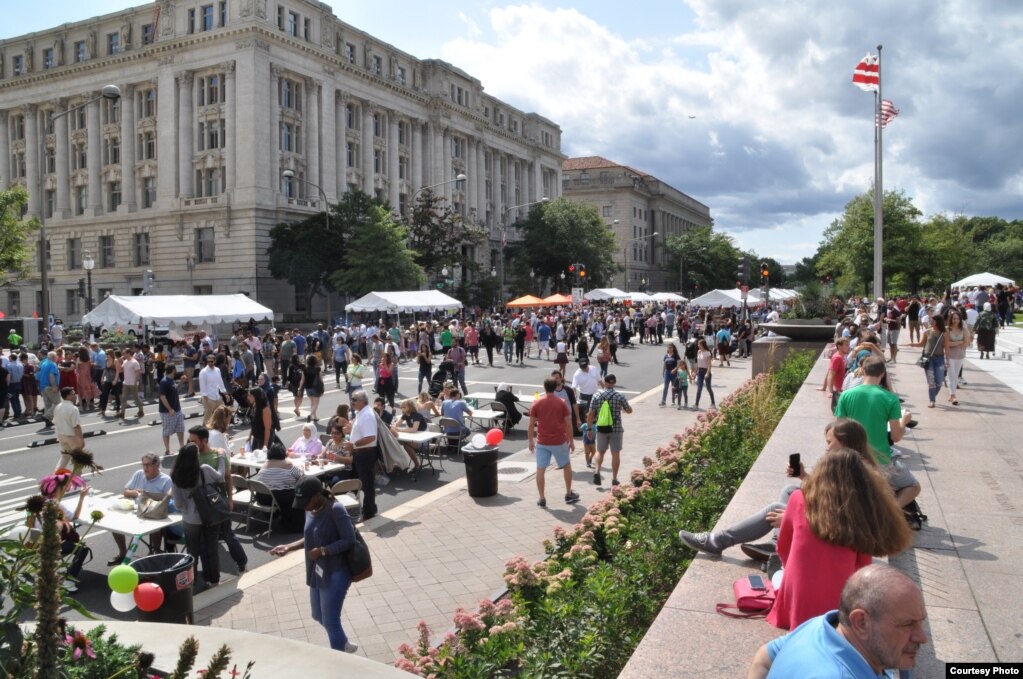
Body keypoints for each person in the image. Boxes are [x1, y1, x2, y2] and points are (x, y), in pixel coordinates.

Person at [680, 418, 871, 562]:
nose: (826, 447)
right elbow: (829, 495)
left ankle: (717, 541)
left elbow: (839, 516)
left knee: (775, 509)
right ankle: (776, 543)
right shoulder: (855, 463)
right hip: (836, 523)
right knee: (790, 490)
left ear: (845, 442)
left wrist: (793, 518)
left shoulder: (853, 472)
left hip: (841, 535)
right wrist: (804, 476)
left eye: (830, 442)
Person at [767, 447, 912, 630]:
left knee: (778, 572)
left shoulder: (798, 498)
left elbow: (783, 546)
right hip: (838, 607)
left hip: (798, 603)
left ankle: (773, 571)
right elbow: (862, 567)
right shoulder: (861, 510)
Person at [747, 564, 928, 679]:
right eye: (907, 624)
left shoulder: (820, 626)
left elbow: (764, 657)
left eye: (920, 622)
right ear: (861, 622)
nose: (922, 637)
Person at [270, 478, 357, 652]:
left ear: (318, 496)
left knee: (331, 620)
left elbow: (349, 539)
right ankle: (343, 643)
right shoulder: (309, 510)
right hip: (317, 571)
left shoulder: (336, 509)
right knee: (318, 615)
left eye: (306, 501)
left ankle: (340, 661)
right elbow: (310, 537)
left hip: (336, 572)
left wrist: (324, 550)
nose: (304, 506)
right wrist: (289, 546)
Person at [834, 357, 921, 513]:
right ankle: (889, 510)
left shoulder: (846, 395)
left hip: (851, 459)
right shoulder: (890, 398)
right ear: (882, 374)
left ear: (863, 371)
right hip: (880, 460)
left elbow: (838, 431)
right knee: (914, 486)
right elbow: (896, 437)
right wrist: (904, 421)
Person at [189, 426, 248, 574]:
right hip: (201, 505)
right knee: (208, 540)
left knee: (228, 534)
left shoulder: (218, 455)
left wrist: (229, 499)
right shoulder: (192, 456)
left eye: (194, 441)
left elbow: (227, 477)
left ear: (204, 440)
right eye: (190, 441)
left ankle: (241, 562)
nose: (191, 444)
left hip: (217, 502)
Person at [170, 443, 225, 590]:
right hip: (210, 516)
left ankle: (191, 582)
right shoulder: (204, 470)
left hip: (190, 520)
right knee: (211, 548)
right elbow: (220, 476)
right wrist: (221, 457)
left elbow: (178, 504)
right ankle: (213, 579)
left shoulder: (175, 476)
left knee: (192, 552)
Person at [107, 453, 173, 565]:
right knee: (114, 525)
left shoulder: (166, 480)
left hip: (153, 513)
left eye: (148, 465)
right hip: (135, 511)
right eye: (143, 465)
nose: (145, 468)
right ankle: (123, 553)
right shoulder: (138, 474)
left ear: (157, 466)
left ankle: (154, 552)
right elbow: (126, 492)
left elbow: (168, 501)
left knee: (156, 527)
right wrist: (133, 492)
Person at [528, 377, 580, 508]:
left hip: (542, 441)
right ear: (555, 386)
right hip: (559, 440)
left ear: (544, 388)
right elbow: (568, 424)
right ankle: (568, 493)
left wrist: (530, 441)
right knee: (566, 466)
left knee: (540, 469)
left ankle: (542, 498)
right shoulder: (561, 402)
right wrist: (572, 441)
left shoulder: (536, 403)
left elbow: (530, 425)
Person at [586, 374, 633, 487]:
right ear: (614, 383)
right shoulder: (619, 396)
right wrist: (622, 408)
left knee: (600, 451)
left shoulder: (597, 395)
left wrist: (589, 428)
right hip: (616, 428)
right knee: (615, 453)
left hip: (601, 427)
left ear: (604, 382)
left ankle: (597, 471)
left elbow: (591, 413)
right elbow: (629, 410)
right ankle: (614, 478)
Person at [341, 390, 379, 521]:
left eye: (355, 399)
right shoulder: (361, 413)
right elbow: (362, 432)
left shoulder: (367, 415)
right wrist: (351, 430)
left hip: (365, 454)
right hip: (361, 453)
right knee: (364, 483)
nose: (352, 402)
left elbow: (370, 437)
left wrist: (354, 445)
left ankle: (368, 513)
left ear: (363, 401)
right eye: (352, 399)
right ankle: (371, 508)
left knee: (366, 484)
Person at [253, 441, 306, 532]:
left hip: (263, 497)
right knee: (299, 492)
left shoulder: (264, 466)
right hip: (281, 497)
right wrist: (302, 467)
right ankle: (296, 524)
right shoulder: (288, 465)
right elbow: (302, 476)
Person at [907, 315, 948, 408]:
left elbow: (947, 347)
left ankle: (933, 395)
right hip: (928, 359)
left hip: (940, 359)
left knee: (939, 381)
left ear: (937, 322)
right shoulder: (927, 332)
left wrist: (948, 360)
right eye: (930, 320)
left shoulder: (944, 333)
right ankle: (932, 400)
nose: (931, 322)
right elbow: (921, 344)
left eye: (933, 320)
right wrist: (912, 344)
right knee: (931, 382)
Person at [53, 386, 83, 471]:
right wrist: (81, 440)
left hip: (61, 435)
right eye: (73, 394)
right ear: (67, 396)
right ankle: (77, 478)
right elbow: (76, 426)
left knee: (65, 456)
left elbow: (55, 421)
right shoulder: (73, 408)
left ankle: (56, 475)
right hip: (71, 436)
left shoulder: (58, 407)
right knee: (77, 458)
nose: (75, 396)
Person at [944, 309, 970, 406]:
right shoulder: (947, 329)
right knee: (951, 375)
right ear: (951, 319)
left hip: (960, 355)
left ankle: (951, 394)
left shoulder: (964, 329)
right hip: (949, 355)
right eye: (954, 318)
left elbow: (967, 342)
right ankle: (953, 395)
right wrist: (959, 342)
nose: (956, 320)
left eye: (958, 319)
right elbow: (946, 344)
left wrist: (954, 344)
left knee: (955, 375)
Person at [158, 364, 186, 454]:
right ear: (173, 370)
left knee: (180, 429)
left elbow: (175, 389)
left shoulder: (171, 380)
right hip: (167, 411)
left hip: (177, 409)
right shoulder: (164, 382)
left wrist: (181, 382)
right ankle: (167, 449)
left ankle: (182, 446)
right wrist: (170, 409)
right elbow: (162, 396)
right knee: (167, 430)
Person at [392, 398, 427, 469]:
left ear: (410, 407)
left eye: (404, 407)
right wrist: (393, 426)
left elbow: (414, 429)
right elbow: (396, 425)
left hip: (423, 439)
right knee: (394, 442)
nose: (402, 409)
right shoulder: (405, 415)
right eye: (401, 407)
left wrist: (401, 430)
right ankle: (396, 464)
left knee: (406, 445)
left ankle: (417, 465)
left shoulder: (417, 415)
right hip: (413, 437)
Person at [821, 337, 851, 412]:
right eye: (846, 345)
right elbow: (831, 375)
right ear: (839, 346)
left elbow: (829, 371)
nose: (849, 347)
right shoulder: (837, 358)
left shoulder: (841, 356)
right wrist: (830, 391)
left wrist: (824, 387)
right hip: (839, 390)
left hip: (841, 388)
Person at [199, 353, 228, 423]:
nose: (210, 363)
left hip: (217, 397)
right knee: (207, 419)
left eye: (211, 361)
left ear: (215, 361)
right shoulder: (203, 372)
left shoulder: (217, 370)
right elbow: (203, 387)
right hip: (209, 398)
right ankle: (204, 433)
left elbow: (220, 382)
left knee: (222, 415)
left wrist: (225, 393)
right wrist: (205, 401)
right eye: (208, 362)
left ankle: (220, 431)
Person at [118, 348, 144, 420]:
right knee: (123, 398)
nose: (123, 355)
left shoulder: (134, 362)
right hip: (126, 382)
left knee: (136, 398)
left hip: (133, 383)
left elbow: (138, 373)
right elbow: (121, 369)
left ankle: (141, 411)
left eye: (124, 353)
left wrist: (135, 382)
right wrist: (120, 361)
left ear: (128, 353)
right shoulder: (125, 361)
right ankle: (122, 413)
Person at [248, 386, 277, 451]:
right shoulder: (254, 406)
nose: (248, 398)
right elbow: (253, 423)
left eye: (250, 396)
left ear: (256, 396)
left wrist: (265, 445)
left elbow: (267, 429)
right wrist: (249, 436)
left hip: (264, 437)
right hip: (256, 436)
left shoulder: (265, 409)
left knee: (262, 458)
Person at [38, 350, 61, 428]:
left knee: (48, 405)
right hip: (50, 386)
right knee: (58, 403)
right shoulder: (53, 364)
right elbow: (52, 375)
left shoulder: (43, 363)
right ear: (54, 357)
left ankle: (48, 422)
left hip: (43, 386)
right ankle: (47, 416)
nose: (57, 358)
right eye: (56, 356)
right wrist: (54, 386)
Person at [297, 355, 323, 423]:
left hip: (308, 388)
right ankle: (310, 415)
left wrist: (300, 389)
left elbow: (302, 380)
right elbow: (320, 379)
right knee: (316, 404)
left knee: (312, 402)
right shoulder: (318, 369)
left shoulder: (304, 369)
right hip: (316, 387)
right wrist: (322, 387)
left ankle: (315, 417)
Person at [694, 338, 716, 410]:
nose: (698, 346)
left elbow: (709, 364)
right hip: (700, 371)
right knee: (699, 388)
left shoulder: (707, 353)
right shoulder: (698, 352)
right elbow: (697, 363)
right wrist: (695, 371)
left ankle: (713, 403)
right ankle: (696, 404)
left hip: (706, 371)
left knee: (708, 388)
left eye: (699, 344)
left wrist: (707, 373)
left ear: (702, 345)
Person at [658, 343, 681, 407]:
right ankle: (663, 401)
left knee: (673, 387)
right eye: (669, 347)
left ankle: (673, 401)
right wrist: (663, 372)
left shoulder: (676, 355)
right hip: (667, 373)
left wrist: (675, 369)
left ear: (673, 348)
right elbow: (665, 364)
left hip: (674, 373)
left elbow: (679, 364)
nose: (669, 349)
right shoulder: (666, 356)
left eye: (671, 347)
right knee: (665, 387)